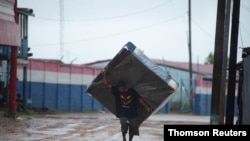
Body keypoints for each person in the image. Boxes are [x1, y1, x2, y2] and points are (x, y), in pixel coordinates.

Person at [102, 70, 152, 141]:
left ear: (124, 86)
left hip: (132, 111)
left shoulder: (132, 91)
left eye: (121, 88)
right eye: (119, 88)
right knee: (124, 123)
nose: (120, 90)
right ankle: (124, 137)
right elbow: (107, 85)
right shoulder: (117, 90)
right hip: (122, 111)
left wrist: (146, 107)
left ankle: (130, 139)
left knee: (133, 126)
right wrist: (104, 76)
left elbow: (140, 99)